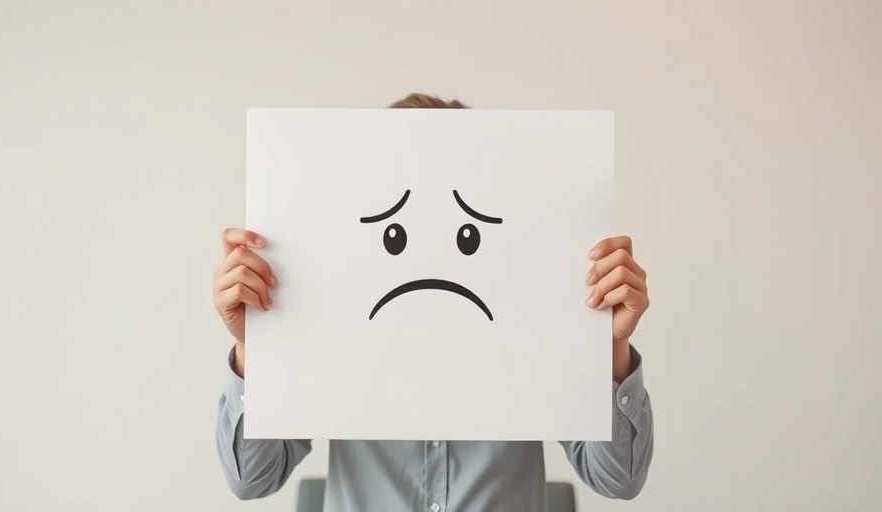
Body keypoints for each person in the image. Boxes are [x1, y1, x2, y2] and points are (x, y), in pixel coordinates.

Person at [214, 93, 654, 511]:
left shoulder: (534, 319)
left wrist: (608, 347)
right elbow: (253, 479)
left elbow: (617, 480)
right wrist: (256, 344)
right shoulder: (332, 325)